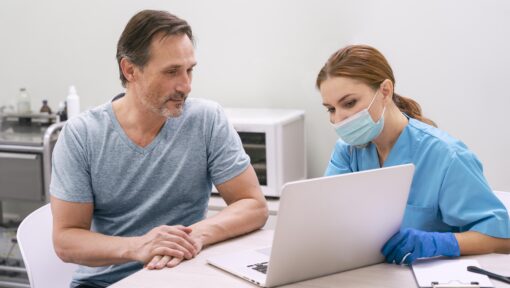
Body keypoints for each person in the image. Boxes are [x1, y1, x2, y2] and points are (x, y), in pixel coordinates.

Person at [50, 10, 268, 287]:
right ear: (129, 70)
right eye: (171, 72)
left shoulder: (206, 119)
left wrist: (194, 236)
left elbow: (253, 205)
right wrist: (138, 247)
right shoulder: (82, 135)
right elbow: (66, 240)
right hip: (104, 283)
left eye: (189, 70)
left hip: (181, 275)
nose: (186, 86)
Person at [316, 44, 510, 265]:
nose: (338, 118)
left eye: (349, 103)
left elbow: (502, 239)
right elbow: (328, 221)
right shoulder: (347, 152)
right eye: (331, 109)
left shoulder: (446, 155)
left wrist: (439, 242)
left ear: (385, 91)